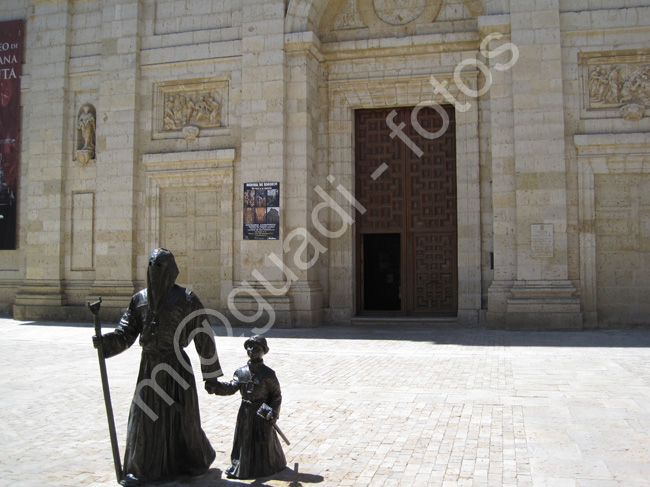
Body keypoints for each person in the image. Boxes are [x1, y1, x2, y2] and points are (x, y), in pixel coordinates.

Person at [93, 248, 223, 486]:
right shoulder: (139, 300)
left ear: (172, 270)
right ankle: (140, 470)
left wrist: (211, 376)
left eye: (161, 265)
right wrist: (106, 343)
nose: (156, 271)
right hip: (150, 366)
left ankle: (194, 461)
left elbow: (204, 337)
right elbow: (126, 333)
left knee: (183, 421)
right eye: (152, 265)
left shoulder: (187, 299)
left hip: (176, 368)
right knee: (143, 417)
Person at [206, 335, 287, 479]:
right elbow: (231, 387)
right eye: (249, 347)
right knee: (245, 438)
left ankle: (267, 466)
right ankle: (243, 466)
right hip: (246, 412)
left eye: (256, 348)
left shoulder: (268, 374)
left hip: (262, 412)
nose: (251, 350)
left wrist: (273, 412)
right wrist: (216, 387)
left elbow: (276, 395)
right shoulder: (241, 372)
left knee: (263, 440)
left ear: (264, 351)